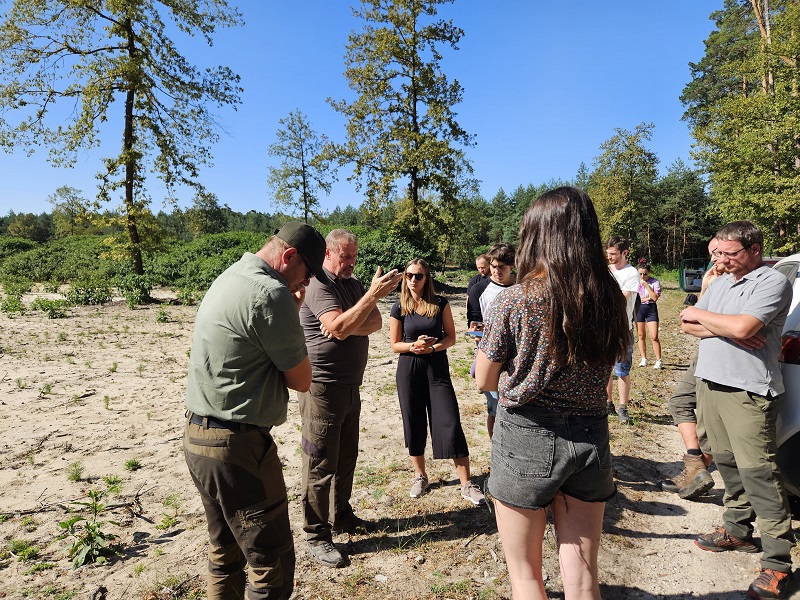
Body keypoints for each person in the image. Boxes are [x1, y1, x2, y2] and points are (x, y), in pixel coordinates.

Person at [476, 187, 629, 600]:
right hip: (591, 436)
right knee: (582, 578)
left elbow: (483, 379)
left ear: (536, 235)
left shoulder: (516, 298)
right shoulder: (609, 297)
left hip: (527, 436)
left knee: (526, 577)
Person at [183, 221, 327, 600]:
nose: (308, 284)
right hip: (238, 449)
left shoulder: (231, 275)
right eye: (308, 273)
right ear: (289, 256)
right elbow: (301, 379)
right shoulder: (272, 294)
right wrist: (292, 314)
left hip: (199, 439)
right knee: (271, 564)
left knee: (225, 554)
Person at [680, 220, 794, 600]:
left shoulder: (771, 282)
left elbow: (746, 326)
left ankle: (777, 563)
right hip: (711, 384)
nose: (721, 260)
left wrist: (730, 326)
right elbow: (686, 321)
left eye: (730, 253)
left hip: (749, 392)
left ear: (755, 249)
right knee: (727, 463)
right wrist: (729, 328)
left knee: (760, 473)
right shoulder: (723, 281)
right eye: (718, 253)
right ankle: (737, 531)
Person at [298, 229, 403, 568]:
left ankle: (341, 516)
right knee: (320, 463)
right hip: (323, 388)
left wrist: (352, 315)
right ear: (328, 253)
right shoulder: (319, 284)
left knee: (345, 457)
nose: (350, 263)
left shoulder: (354, 285)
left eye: (354, 257)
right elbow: (337, 328)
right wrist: (359, 308)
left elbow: (370, 323)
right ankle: (317, 534)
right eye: (345, 257)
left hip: (349, 386)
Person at [389, 259, 486, 505]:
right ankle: (420, 475)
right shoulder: (399, 307)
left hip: (436, 367)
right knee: (413, 421)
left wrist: (431, 349)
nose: (412, 280)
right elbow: (394, 344)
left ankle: (466, 484)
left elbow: (451, 337)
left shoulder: (440, 303)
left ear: (427, 278)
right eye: (409, 275)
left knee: (450, 420)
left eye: (418, 276)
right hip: (409, 368)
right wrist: (414, 346)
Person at [661, 238, 726, 500]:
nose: (714, 260)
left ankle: (697, 470)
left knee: (712, 419)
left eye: (718, 253)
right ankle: (696, 466)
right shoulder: (715, 281)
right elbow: (690, 319)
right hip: (705, 354)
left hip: (726, 359)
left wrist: (714, 326)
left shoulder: (743, 283)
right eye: (712, 254)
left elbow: (740, 330)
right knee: (679, 401)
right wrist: (705, 289)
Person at [606, 235, 639, 424]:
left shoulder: (631, 273)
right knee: (605, 368)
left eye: (613, 254)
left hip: (622, 330)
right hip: (604, 329)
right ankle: (607, 403)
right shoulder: (605, 271)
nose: (609, 257)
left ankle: (622, 408)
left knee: (622, 370)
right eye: (608, 253)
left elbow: (621, 299)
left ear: (624, 253)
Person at [635, 259, 662, 369]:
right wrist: (647, 298)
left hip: (651, 309)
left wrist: (646, 286)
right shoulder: (635, 282)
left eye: (645, 274)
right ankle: (643, 358)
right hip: (639, 309)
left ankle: (658, 360)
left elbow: (655, 297)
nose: (642, 276)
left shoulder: (654, 282)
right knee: (641, 335)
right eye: (640, 274)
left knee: (654, 336)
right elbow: (636, 299)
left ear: (648, 273)